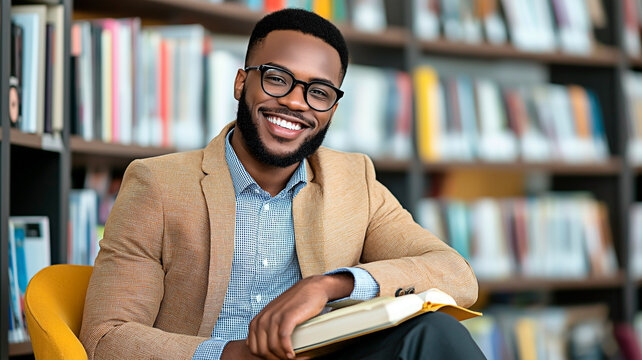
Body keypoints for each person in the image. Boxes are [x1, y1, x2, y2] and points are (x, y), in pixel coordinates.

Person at [80, 8, 482, 360]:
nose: (295, 102)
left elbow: (456, 274)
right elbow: (106, 339)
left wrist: (331, 285)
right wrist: (232, 355)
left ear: (332, 110)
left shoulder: (352, 180)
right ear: (241, 83)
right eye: (277, 79)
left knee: (436, 334)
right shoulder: (159, 185)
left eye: (318, 92)